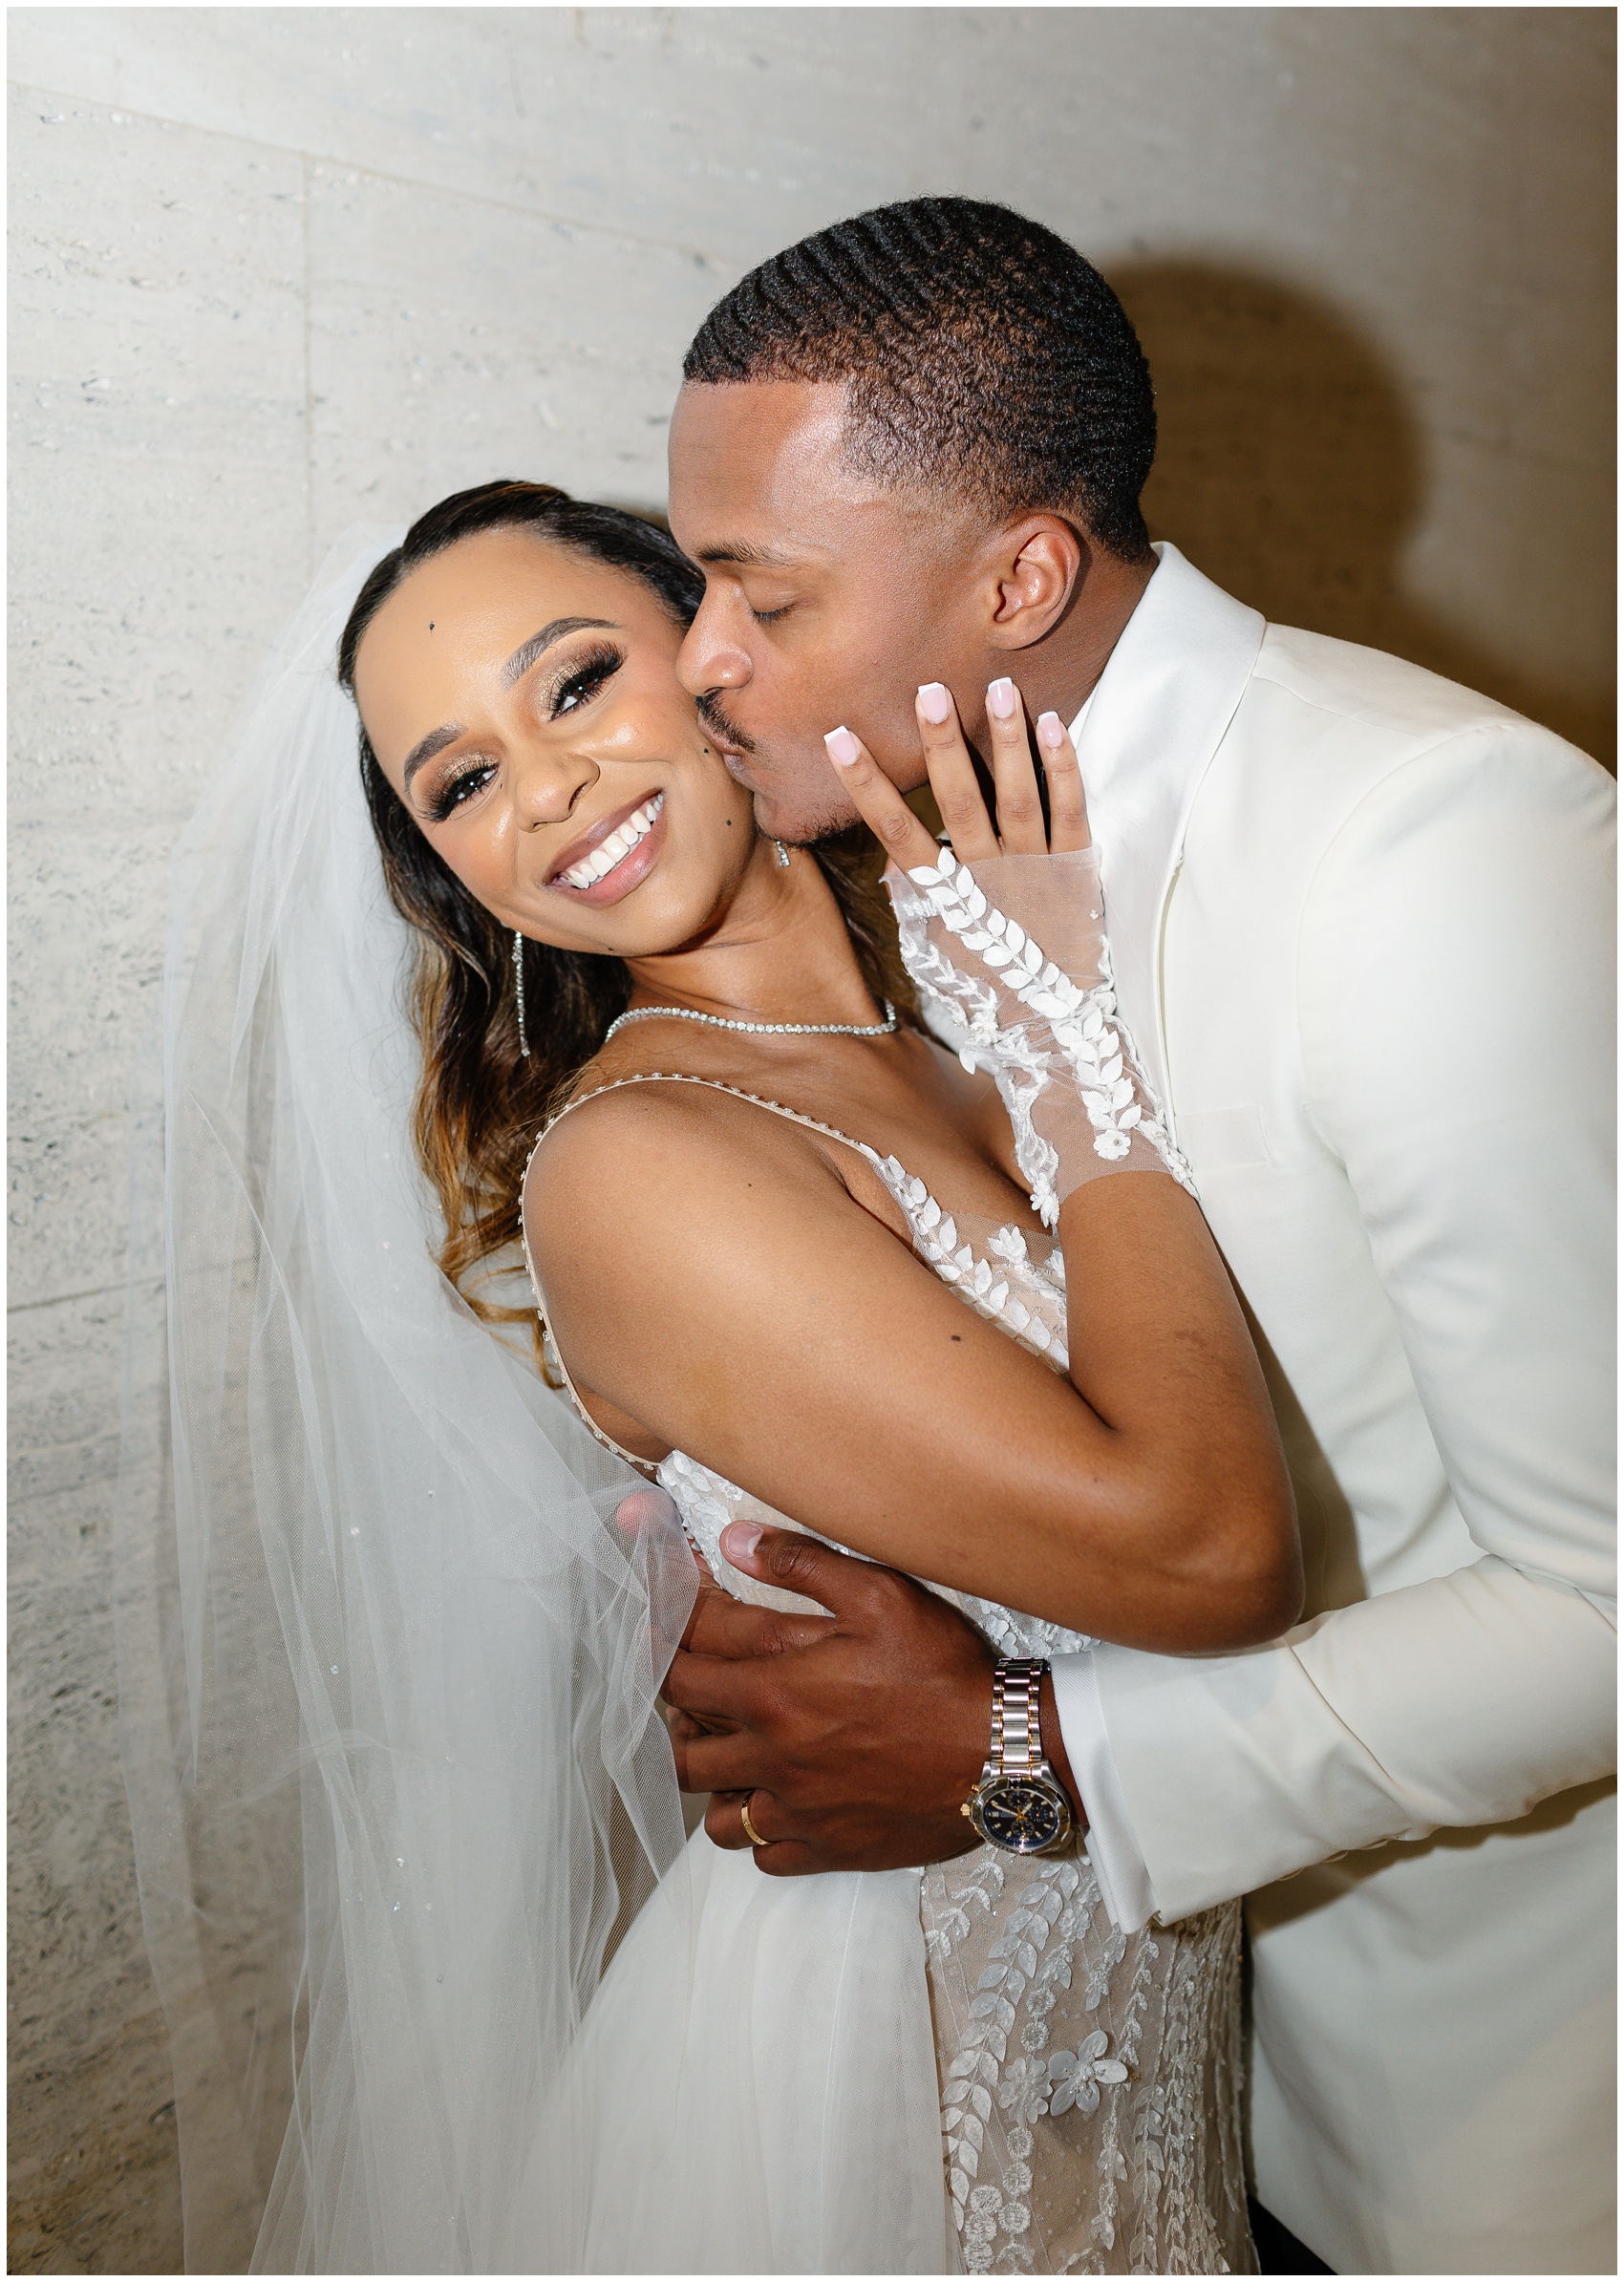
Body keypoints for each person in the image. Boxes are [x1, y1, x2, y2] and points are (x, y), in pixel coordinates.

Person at [653, 196, 1617, 2276]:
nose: (695, 661)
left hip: (1481, 2125)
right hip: (1148, 2076)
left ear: (1021, 575)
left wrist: (1018, 1753)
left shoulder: (1432, 847)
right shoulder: (902, 826)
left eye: (757, 594)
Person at [337, 476, 1299, 2272]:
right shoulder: (641, 1161)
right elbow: (1208, 1553)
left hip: (1167, 2042)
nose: (542, 789)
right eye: (458, 781)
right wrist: (1072, 1044)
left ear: (718, 651)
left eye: (573, 684)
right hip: (890, 2093)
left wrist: (1033, 1015)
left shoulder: (939, 1026)